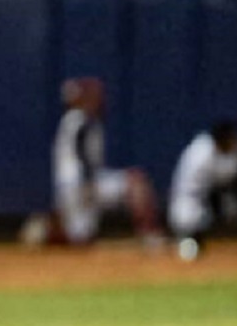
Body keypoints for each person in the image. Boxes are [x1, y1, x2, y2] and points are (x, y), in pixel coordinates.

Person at [39, 76, 163, 247]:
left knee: (81, 238)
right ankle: (150, 235)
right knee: (136, 180)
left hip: (71, 188)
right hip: (84, 184)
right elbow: (81, 153)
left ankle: (46, 230)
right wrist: (88, 181)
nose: (97, 100)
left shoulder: (70, 121)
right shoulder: (79, 119)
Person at [168, 119, 237, 260]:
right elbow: (230, 176)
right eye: (232, 138)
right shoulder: (204, 154)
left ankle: (193, 241)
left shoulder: (204, 143)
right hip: (188, 205)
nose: (235, 142)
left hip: (197, 201)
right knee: (190, 239)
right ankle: (188, 240)